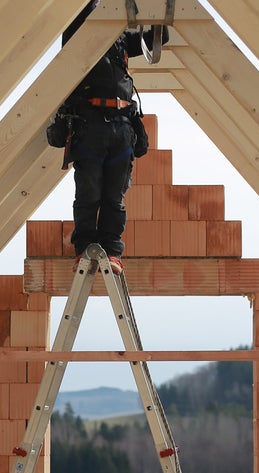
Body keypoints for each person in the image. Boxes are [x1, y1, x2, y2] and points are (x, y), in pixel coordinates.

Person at [48, 0, 168, 274]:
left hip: (121, 126)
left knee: (115, 197)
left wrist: (158, 10)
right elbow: (81, 12)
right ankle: (85, 250)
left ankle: (112, 252)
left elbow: (159, 38)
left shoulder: (122, 42)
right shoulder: (79, 32)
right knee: (89, 194)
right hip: (90, 124)